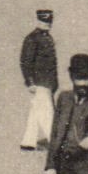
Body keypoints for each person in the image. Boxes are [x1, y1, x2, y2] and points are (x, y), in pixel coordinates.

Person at [18, 9, 57, 151]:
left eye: (49, 22)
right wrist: (30, 82)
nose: (47, 24)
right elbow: (26, 62)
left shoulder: (47, 37)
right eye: (44, 21)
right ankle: (55, 142)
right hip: (39, 81)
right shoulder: (32, 39)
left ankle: (28, 142)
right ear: (38, 21)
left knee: (36, 111)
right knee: (48, 113)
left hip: (47, 82)